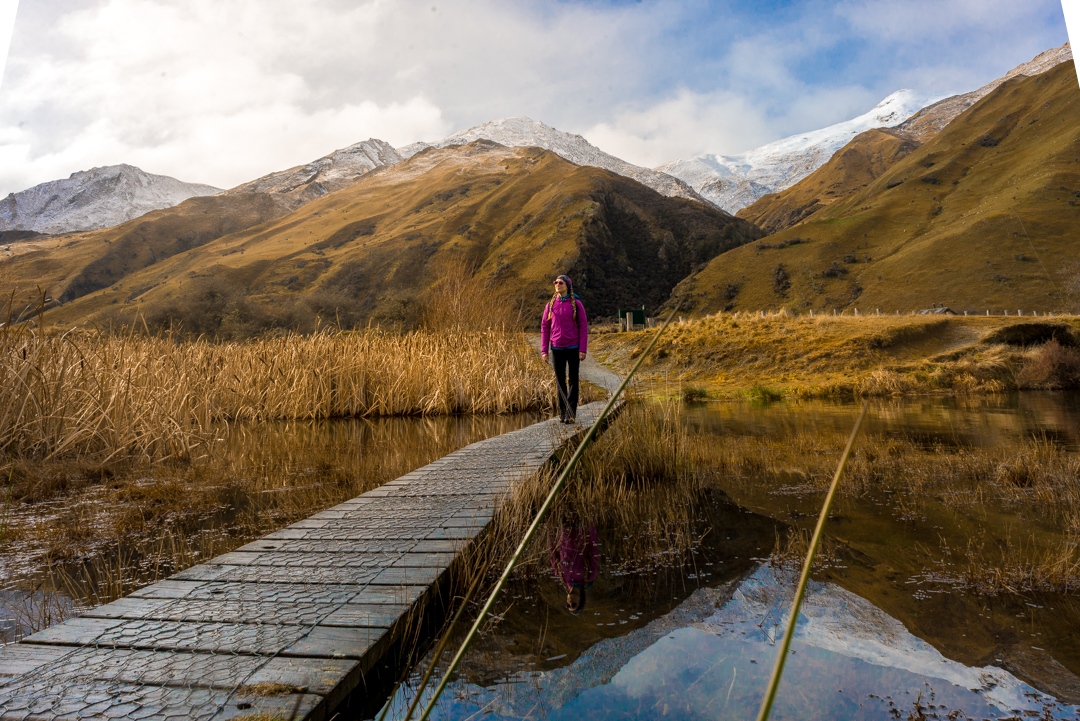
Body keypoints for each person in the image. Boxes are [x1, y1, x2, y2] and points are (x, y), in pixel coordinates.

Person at [540, 275, 588, 424]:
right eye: (555, 282)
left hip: (573, 347)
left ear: (567, 285)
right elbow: (545, 328)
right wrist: (544, 351)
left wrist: (583, 349)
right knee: (560, 381)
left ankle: (571, 413)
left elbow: (583, 327)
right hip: (556, 348)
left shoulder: (576, 304)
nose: (557, 284)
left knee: (573, 380)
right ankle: (563, 413)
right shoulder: (550, 305)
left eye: (560, 282)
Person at [549, 523, 599, 614]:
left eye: (568, 605)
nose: (570, 603)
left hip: (561, 526)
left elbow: (552, 552)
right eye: (574, 605)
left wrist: (550, 529)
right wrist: (590, 525)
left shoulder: (560, 576)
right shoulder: (588, 578)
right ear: (581, 600)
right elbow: (593, 550)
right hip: (581, 526)